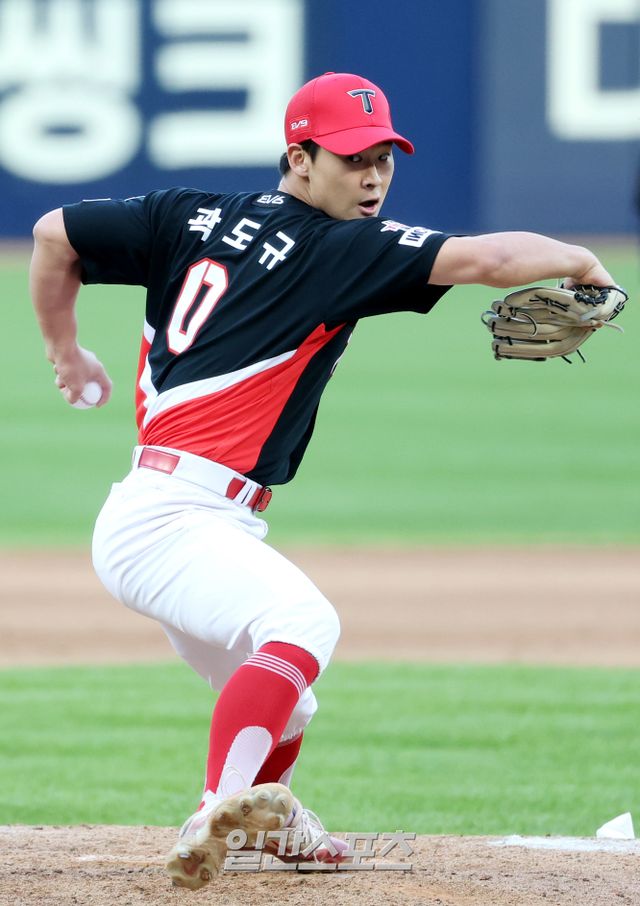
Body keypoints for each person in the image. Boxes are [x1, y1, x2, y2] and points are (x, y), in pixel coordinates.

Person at [29, 71, 617, 890]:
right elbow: (488, 258)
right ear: (299, 158)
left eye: (383, 158)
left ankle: (276, 823)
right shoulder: (340, 249)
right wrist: (584, 260)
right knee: (303, 623)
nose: (372, 178)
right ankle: (215, 811)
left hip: (166, 514)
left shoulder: (184, 214)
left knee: (288, 698)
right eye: (351, 159)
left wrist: (65, 351)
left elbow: (53, 232)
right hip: (176, 519)